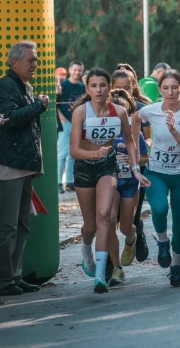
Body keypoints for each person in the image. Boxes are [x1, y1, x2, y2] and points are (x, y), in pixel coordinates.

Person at [70, 68, 144, 293]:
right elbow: (74, 150)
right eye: (94, 86)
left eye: (103, 85)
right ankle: (86, 250)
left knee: (105, 215)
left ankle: (101, 276)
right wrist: (93, 154)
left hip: (107, 167)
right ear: (88, 89)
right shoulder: (81, 112)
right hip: (84, 168)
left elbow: (130, 142)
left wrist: (134, 168)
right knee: (90, 226)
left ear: (110, 88)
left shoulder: (119, 112)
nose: (99, 90)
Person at [0, 41, 49, 296]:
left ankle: (15, 276)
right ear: (14, 62)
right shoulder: (6, 85)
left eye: (36, 60)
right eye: (31, 60)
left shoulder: (23, 85)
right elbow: (9, 118)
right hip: (8, 166)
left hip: (22, 166)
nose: (36, 64)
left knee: (21, 225)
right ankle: (3, 282)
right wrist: (39, 105)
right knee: (7, 226)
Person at [131, 69, 180, 288]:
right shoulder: (150, 111)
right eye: (165, 88)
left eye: (174, 87)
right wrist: (136, 162)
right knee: (159, 209)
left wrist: (174, 131)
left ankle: (175, 267)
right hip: (156, 172)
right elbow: (133, 120)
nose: (170, 92)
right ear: (159, 90)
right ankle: (162, 241)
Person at [107, 89, 150, 286]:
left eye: (121, 114)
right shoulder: (104, 131)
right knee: (109, 221)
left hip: (129, 184)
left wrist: (131, 160)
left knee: (125, 226)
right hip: (111, 182)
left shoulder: (133, 133)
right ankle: (117, 268)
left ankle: (132, 237)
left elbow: (144, 158)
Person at [57, 60, 85, 192]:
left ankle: (69, 181)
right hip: (65, 122)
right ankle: (57, 182)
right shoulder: (63, 85)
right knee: (62, 153)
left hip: (77, 122)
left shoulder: (81, 86)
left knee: (73, 154)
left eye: (79, 70)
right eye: (75, 69)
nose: (77, 72)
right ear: (70, 70)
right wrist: (61, 117)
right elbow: (55, 103)